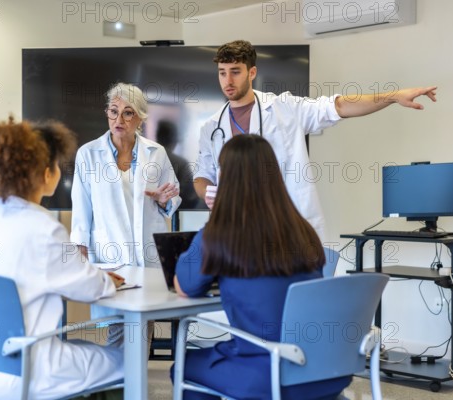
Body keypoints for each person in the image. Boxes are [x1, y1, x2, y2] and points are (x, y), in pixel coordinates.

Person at [194, 39, 438, 239]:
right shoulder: (211, 126)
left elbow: (338, 107)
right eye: (222, 73)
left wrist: (393, 96)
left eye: (235, 72)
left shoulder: (284, 108)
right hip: (237, 226)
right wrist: (210, 192)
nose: (227, 81)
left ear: (252, 72)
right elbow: (202, 176)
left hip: (287, 226)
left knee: (291, 293)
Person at [173, 134, 348, 400]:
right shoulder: (302, 230)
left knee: (184, 366)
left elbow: (185, 287)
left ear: (226, 178)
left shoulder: (217, 234)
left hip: (269, 374)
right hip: (325, 371)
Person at [0, 118, 124, 400]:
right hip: (30, 370)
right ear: (43, 172)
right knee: (126, 361)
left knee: (81, 349)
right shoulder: (43, 227)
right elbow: (92, 288)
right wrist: (106, 279)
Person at [71, 82, 182, 268]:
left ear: (140, 118)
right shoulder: (88, 153)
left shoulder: (157, 152)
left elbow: (172, 198)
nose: (119, 120)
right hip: (107, 255)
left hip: (149, 254)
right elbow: (81, 210)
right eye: (113, 111)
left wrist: (163, 200)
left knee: (149, 296)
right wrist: (80, 257)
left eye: (128, 113)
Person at [155, 119, 202, 209]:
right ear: (174, 140)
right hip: (175, 217)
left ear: (157, 138)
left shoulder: (145, 160)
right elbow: (190, 198)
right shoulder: (181, 164)